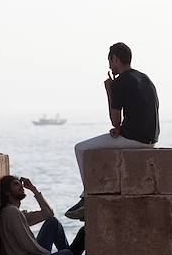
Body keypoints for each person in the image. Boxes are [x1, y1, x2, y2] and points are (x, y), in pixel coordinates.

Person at [65, 42, 159, 220]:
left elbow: (115, 120)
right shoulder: (145, 78)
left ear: (115, 59)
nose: (109, 65)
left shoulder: (120, 82)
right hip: (151, 139)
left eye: (110, 61)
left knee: (80, 148)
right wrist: (121, 129)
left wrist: (109, 90)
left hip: (134, 140)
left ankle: (87, 197)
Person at [0, 175, 85, 255]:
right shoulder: (11, 212)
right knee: (67, 254)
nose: (21, 186)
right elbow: (27, 244)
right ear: (7, 192)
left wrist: (33, 189)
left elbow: (48, 214)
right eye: (16, 184)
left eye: (20, 184)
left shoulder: (18, 213)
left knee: (53, 222)